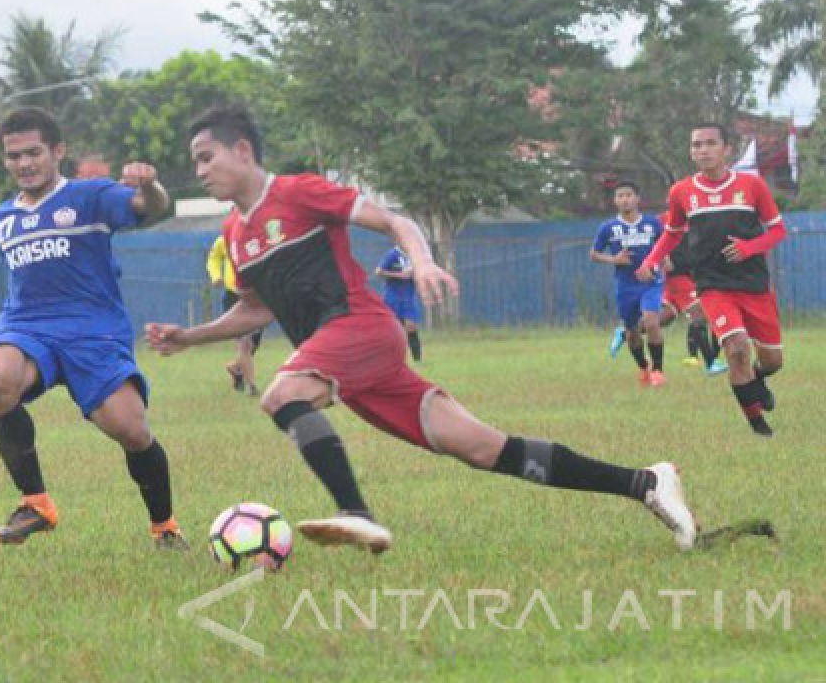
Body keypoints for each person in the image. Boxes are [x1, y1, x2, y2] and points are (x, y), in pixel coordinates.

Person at [146, 104, 698, 554]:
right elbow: (257, 308)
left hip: (359, 327)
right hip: (347, 358)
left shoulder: (296, 192)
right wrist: (190, 336)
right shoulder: (235, 233)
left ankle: (357, 515)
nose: (199, 171)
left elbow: (394, 221)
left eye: (205, 157)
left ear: (241, 151)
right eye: (195, 162)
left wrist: (423, 259)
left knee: (283, 395)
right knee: (484, 448)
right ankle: (646, 484)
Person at [0, 106, 187, 549]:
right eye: (13, 156)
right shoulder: (1, 219)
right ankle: (35, 503)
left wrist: (149, 185)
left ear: (58, 151)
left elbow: (149, 208)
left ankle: (165, 527)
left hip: (94, 332)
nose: (24, 164)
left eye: (33, 153)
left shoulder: (91, 196)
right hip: (28, 326)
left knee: (130, 430)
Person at [639, 123, 788, 437]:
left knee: (773, 360)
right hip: (712, 285)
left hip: (754, 285)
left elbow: (777, 230)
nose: (702, 150)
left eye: (709, 143)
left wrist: (749, 248)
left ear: (726, 149)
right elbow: (673, 232)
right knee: (736, 349)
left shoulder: (752, 186)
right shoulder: (682, 191)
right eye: (696, 145)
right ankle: (759, 426)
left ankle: (757, 380)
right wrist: (651, 260)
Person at [590, 182, 667, 386]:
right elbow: (594, 254)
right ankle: (643, 367)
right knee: (632, 332)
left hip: (651, 282)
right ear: (615, 201)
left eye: (628, 195)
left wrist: (664, 265)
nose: (624, 199)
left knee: (651, 321)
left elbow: (664, 247)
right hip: (626, 286)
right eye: (620, 196)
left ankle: (658, 370)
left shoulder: (652, 224)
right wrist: (614, 260)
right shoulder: (608, 228)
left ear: (637, 198)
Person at [658, 214, 727, 375]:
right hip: (678, 275)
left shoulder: (700, 216)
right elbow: (655, 240)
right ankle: (710, 363)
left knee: (665, 317)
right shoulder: (663, 219)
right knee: (699, 314)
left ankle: (628, 331)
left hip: (695, 275)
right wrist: (663, 258)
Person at [206, 234, 263, 396]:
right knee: (245, 343)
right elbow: (214, 259)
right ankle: (252, 386)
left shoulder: (258, 234)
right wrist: (216, 276)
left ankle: (236, 368)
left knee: (253, 345)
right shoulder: (224, 239)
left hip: (257, 295)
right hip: (234, 296)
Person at [374, 245, 424, 362]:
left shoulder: (414, 254)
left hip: (409, 297)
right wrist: (399, 275)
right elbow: (378, 271)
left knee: (411, 327)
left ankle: (417, 360)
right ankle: (388, 358)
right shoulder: (392, 254)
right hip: (393, 297)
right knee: (393, 329)